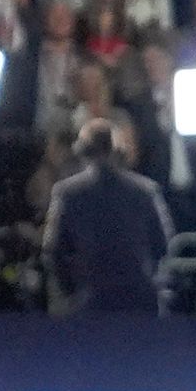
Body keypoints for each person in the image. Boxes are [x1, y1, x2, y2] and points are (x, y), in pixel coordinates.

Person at [42, 116, 173, 314]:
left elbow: (53, 250)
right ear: (118, 150)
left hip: (87, 301)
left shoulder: (66, 192)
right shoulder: (146, 190)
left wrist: (70, 290)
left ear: (81, 150)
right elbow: (162, 244)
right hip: (140, 299)